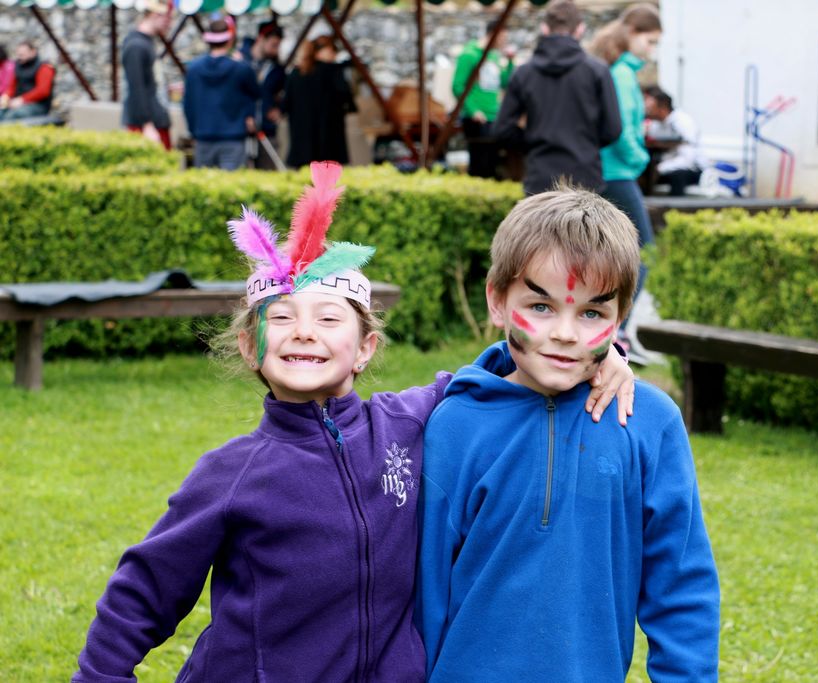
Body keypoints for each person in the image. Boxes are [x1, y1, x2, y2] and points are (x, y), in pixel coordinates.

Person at [72, 165, 635, 681]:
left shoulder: (406, 424)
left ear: (365, 348)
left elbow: (490, 372)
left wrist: (599, 353)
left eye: (327, 318)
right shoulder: (231, 475)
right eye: (282, 318)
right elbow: (145, 588)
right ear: (249, 346)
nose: (304, 331)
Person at [417, 187, 720, 680]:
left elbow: (681, 586)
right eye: (540, 306)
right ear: (497, 301)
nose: (564, 333)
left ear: (619, 319)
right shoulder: (454, 424)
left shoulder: (649, 423)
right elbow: (422, 592)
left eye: (591, 313)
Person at [493, 0, 621, 195]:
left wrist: (533, 142)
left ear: (544, 28)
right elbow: (613, 129)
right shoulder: (598, 71)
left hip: (540, 177)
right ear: (580, 29)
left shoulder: (523, 73)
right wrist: (585, 144)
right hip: (586, 176)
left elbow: (502, 130)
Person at [592, 3, 661, 361]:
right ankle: (616, 334)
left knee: (617, 254)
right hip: (617, 172)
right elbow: (619, 130)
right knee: (643, 252)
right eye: (650, 41)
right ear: (632, 33)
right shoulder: (620, 74)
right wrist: (640, 158)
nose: (652, 50)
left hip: (615, 172)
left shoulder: (622, 71)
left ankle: (610, 331)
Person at [183, 17, 260, 170]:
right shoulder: (242, 69)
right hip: (233, 138)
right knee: (232, 184)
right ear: (230, 39)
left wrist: (193, 131)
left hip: (203, 137)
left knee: (204, 183)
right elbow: (256, 93)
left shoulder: (193, 69)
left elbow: (187, 104)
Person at [452, 19, 515, 179]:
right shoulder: (469, 54)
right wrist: (473, 110)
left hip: (493, 115)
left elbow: (505, 83)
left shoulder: (493, 55)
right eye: (502, 38)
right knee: (479, 164)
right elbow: (458, 86)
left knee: (493, 163)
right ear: (494, 34)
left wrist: (509, 62)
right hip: (477, 117)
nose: (504, 42)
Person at [282, 35, 356, 168]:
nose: (334, 55)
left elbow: (286, 103)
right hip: (328, 140)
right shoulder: (332, 71)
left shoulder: (296, 73)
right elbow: (346, 96)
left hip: (302, 140)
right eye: (332, 51)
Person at [121, 0, 173, 150]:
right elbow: (136, 88)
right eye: (167, 18)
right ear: (155, 15)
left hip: (155, 120)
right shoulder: (136, 46)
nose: (169, 24)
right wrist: (147, 125)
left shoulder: (146, 43)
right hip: (146, 125)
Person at [239, 20, 287, 170]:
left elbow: (286, 92)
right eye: (273, 45)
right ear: (261, 39)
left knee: (268, 172)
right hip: (241, 129)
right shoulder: (240, 62)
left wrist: (280, 109)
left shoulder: (276, 69)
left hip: (266, 130)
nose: (275, 50)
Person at [644, 84, 707, 196]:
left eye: (650, 107)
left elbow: (688, 159)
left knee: (677, 176)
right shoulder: (655, 124)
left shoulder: (682, 122)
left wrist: (660, 168)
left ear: (662, 107)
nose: (646, 109)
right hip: (665, 164)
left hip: (692, 168)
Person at [0, 41, 55, 122]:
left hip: (38, 105)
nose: (20, 55)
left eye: (23, 53)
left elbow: (43, 91)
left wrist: (22, 99)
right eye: (19, 53)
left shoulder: (44, 67)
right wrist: (6, 96)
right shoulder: (18, 66)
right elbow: (12, 86)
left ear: (33, 52)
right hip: (16, 103)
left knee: (14, 115)